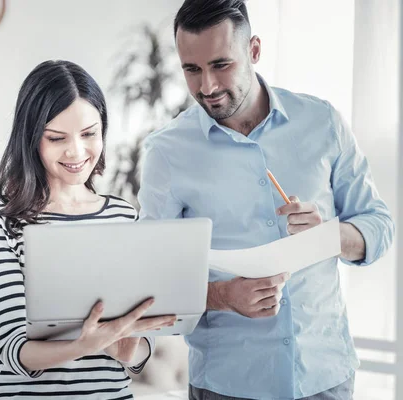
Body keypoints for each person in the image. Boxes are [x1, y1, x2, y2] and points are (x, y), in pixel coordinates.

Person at [137, 1, 395, 399]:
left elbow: (379, 226)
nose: (207, 87)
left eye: (221, 65)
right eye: (192, 69)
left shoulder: (323, 123)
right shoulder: (166, 153)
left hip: (327, 379)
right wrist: (221, 296)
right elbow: (149, 281)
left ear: (254, 51)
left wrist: (329, 235)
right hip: (227, 387)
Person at [0, 60, 176, 399]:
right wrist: (82, 345)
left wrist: (132, 352)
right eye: (57, 138)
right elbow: (14, 351)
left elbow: (138, 351)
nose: (77, 151)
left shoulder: (124, 216)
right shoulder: (1, 219)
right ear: (31, 139)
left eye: (88, 134)